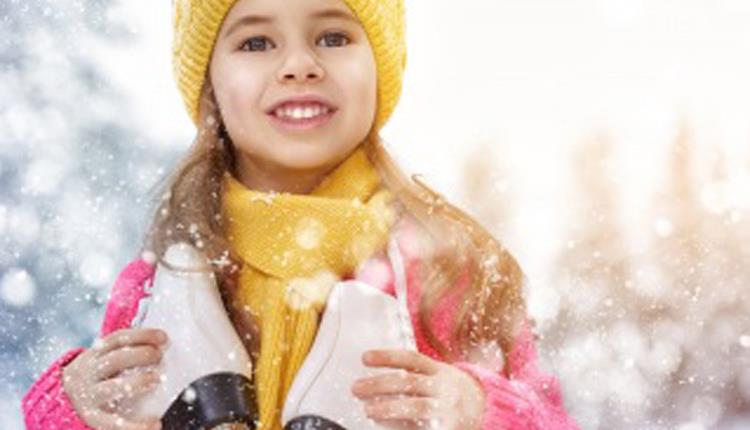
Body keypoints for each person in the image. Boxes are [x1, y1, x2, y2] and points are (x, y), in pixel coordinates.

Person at [22, 0, 581, 429]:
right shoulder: (164, 284)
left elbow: (549, 417)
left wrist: (478, 408)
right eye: (257, 41)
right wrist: (72, 405)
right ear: (210, 83)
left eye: (333, 36)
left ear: (379, 67)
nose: (298, 65)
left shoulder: (450, 268)